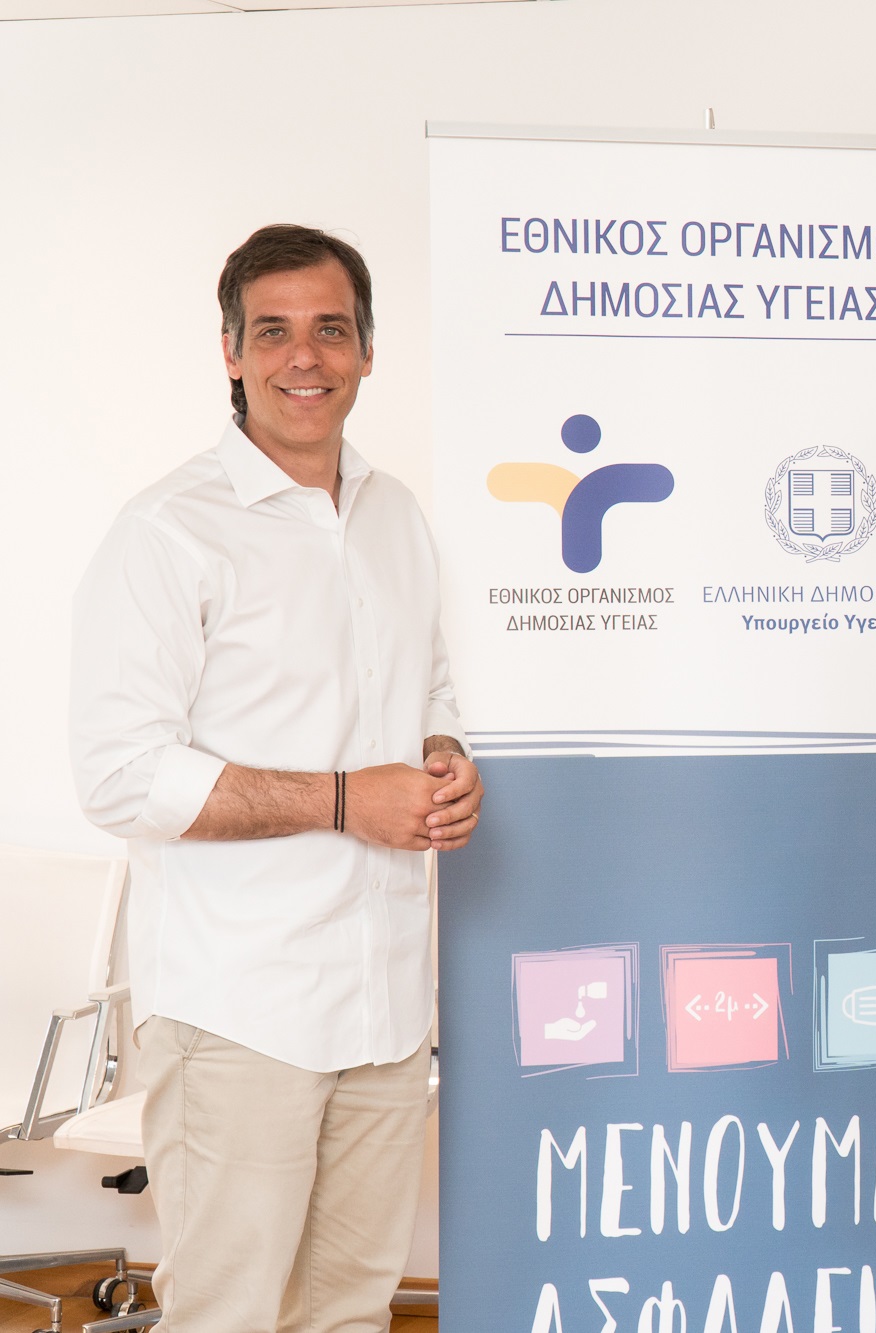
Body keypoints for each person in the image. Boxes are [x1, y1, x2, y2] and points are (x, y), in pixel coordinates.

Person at [68, 224, 483, 1333]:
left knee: (348, 1311)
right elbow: (121, 777)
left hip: (385, 1000)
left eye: (331, 330)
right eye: (274, 332)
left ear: (367, 351)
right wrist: (347, 799)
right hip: (239, 1006)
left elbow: (430, 687)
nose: (305, 356)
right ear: (231, 352)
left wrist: (445, 760)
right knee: (228, 1314)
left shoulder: (395, 514)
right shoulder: (168, 532)